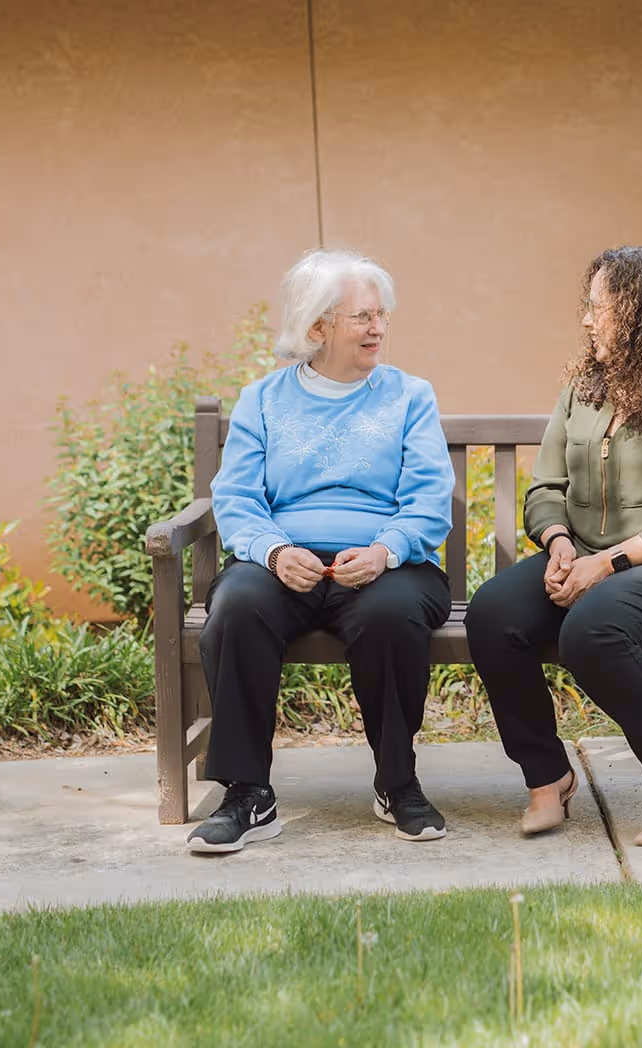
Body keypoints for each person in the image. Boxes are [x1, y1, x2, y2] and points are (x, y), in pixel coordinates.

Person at [465, 246, 642, 848]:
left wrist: (608, 562)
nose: (587, 319)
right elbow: (546, 486)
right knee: (493, 613)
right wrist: (560, 544)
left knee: (593, 629)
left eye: (599, 306)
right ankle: (548, 779)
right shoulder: (586, 389)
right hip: (590, 562)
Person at [187, 248, 453, 853]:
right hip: (284, 563)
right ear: (317, 328)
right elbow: (235, 497)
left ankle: (397, 781)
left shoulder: (409, 396)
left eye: (382, 315)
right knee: (236, 608)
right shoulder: (263, 400)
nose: (378, 328)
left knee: (391, 614)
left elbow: (430, 499)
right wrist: (275, 550)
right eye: (363, 317)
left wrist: (386, 549)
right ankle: (247, 793)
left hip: (387, 565)